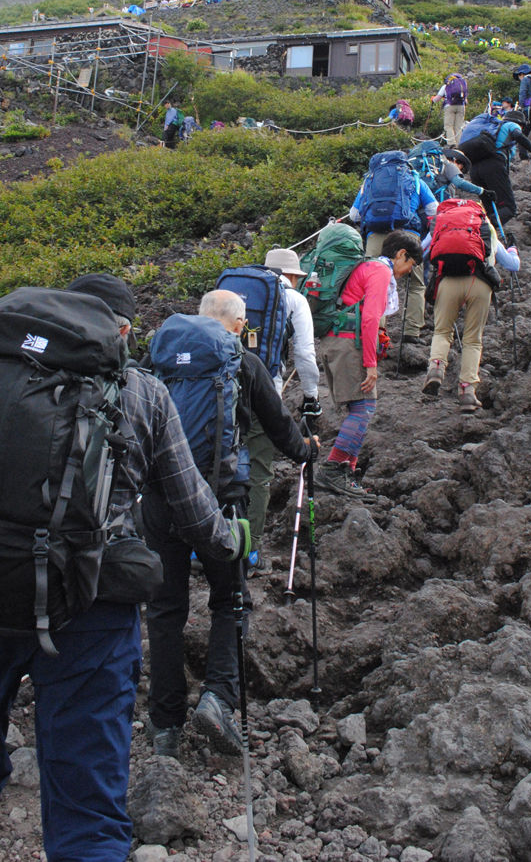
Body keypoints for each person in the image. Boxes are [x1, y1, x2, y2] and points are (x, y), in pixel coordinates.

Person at [0, 273, 251, 862]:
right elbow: (192, 509)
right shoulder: (143, 392)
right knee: (86, 799)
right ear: (125, 330)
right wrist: (230, 540)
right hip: (91, 608)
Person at [142, 288, 317, 758]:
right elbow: (280, 427)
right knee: (229, 600)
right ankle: (218, 697)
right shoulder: (241, 361)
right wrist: (307, 451)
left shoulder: (157, 359)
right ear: (238, 324)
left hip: (160, 501)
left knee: (164, 610)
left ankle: (165, 726)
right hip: (222, 503)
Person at [315, 229, 423, 498]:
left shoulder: (369, 266)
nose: (409, 271)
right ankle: (332, 470)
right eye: (411, 264)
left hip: (338, 341)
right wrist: (371, 364)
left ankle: (346, 474)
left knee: (362, 407)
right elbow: (370, 319)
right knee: (363, 409)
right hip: (347, 343)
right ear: (401, 254)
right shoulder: (380, 271)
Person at [244, 248, 322, 574]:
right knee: (258, 472)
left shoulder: (238, 291)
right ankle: (249, 554)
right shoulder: (294, 299)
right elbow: (304, 354)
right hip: (262, 395)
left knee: (216, 464)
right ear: (291, 276)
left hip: (218, 391)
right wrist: (311, 397)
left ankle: (200, 549)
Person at [422, 208, 521, 408]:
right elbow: (512, 265)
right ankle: (467, 390)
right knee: (473, 340)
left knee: (442, 331)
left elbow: (421, 251)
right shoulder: (486, 227)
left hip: (448, 281)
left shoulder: (441, 224)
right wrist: (513, 250)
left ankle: (436, 368)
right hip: (480, 283)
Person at [349, 157, 437, 346]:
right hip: (408, 235)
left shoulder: (369, 182)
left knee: (372, 284)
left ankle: (377, 331)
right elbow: (434, 208)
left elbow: (353, 215)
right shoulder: (414, 180)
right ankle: (412, 332)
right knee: (416, 285)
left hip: (375, 236)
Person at [430, 73, 468, 147]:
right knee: (459, 126)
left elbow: (436, 99)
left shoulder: (446, 86)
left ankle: (451, 143)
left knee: (448, 126)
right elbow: (466, 101)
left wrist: (432, 99)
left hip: (450, 106)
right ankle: (459, 144)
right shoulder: (463, 86)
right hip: (461, 107)